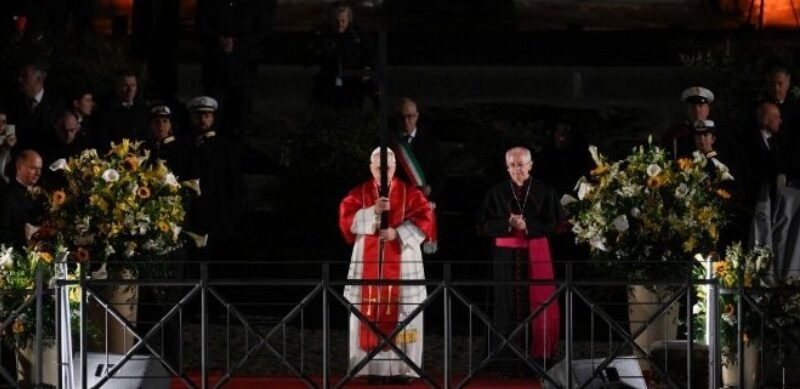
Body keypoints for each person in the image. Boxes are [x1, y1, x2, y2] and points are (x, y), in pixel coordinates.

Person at [339, 147, 433, 384]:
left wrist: (397, 233)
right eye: (379, 167)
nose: (383, 171)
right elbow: (346, 220)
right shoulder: (359, 193)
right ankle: (370, 368)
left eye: (388, 167)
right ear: (371, 167)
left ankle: (404, 368)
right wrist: (372, 211)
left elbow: (426, 219)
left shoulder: (411, 193)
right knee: (366, 309)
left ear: (395, 167)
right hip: (367, 261)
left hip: (403, 260)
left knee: (405, 311)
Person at [477, 146, 562, 376]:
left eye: (521, 165)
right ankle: (505, 363)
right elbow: (481, 225)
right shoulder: (496, 192)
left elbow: (557, 224)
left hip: (537, 256)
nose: (517, 169)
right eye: (512, 165)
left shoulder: (546, 191)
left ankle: (536, 363)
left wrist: (528, 226)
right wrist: (507, 225)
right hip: (505, 260)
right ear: (507, 168)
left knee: (537, 309)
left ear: (530, 165)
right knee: (505, 308)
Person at [195, 0, 274, 137]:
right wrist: (218, 42)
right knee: (212, 121)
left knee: (240, 120)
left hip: (243, 69)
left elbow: (264, 31)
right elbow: (201, 28)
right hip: (216, 69)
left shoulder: (257, 4)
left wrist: (238, 45)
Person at [392, 97, 442, 253]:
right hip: (398, 207)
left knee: (423, 253)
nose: (407, 121)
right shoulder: (388, 143)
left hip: (423, 206)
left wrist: (431, 189)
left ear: (417, 116)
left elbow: (440, 172)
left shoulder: (431, 142)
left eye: (411, 116)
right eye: (403, 117)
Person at [308, 2, 377, 110]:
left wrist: (367, 70)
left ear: (349, 19)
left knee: (352, 111)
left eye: (343, 21)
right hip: (327, 83)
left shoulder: (357, 35)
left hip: (352, 83)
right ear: (330, 19)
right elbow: (309, 56)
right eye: (336, 21)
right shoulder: (322, 34)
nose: (339, 24)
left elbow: (372, 54)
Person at [95, 70, 150, 151]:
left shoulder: (143, 109)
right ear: (116, 87)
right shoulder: (105, 112)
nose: (130, 89)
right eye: (125, 85)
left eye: (133, 85)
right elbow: (103, 140)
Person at [0, 150, 44, 249]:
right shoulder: (7, 196)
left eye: (39, 169)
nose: (38, 173)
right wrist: (25, 237)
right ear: (19, 167)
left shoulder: (43, 195)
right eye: (33, 168)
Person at [661, 86, 714, 159]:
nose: (697, 111)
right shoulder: (675, 133)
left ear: (708, 109)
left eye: (700, 106)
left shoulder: (720, 133)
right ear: (687, 110)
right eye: (692, 107)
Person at [146, 105, 190, 178]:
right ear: (151, 126)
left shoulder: (181, 148)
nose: (161, 125)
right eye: (157, 122)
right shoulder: (147, 147)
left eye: (165, 121)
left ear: (170, 125)